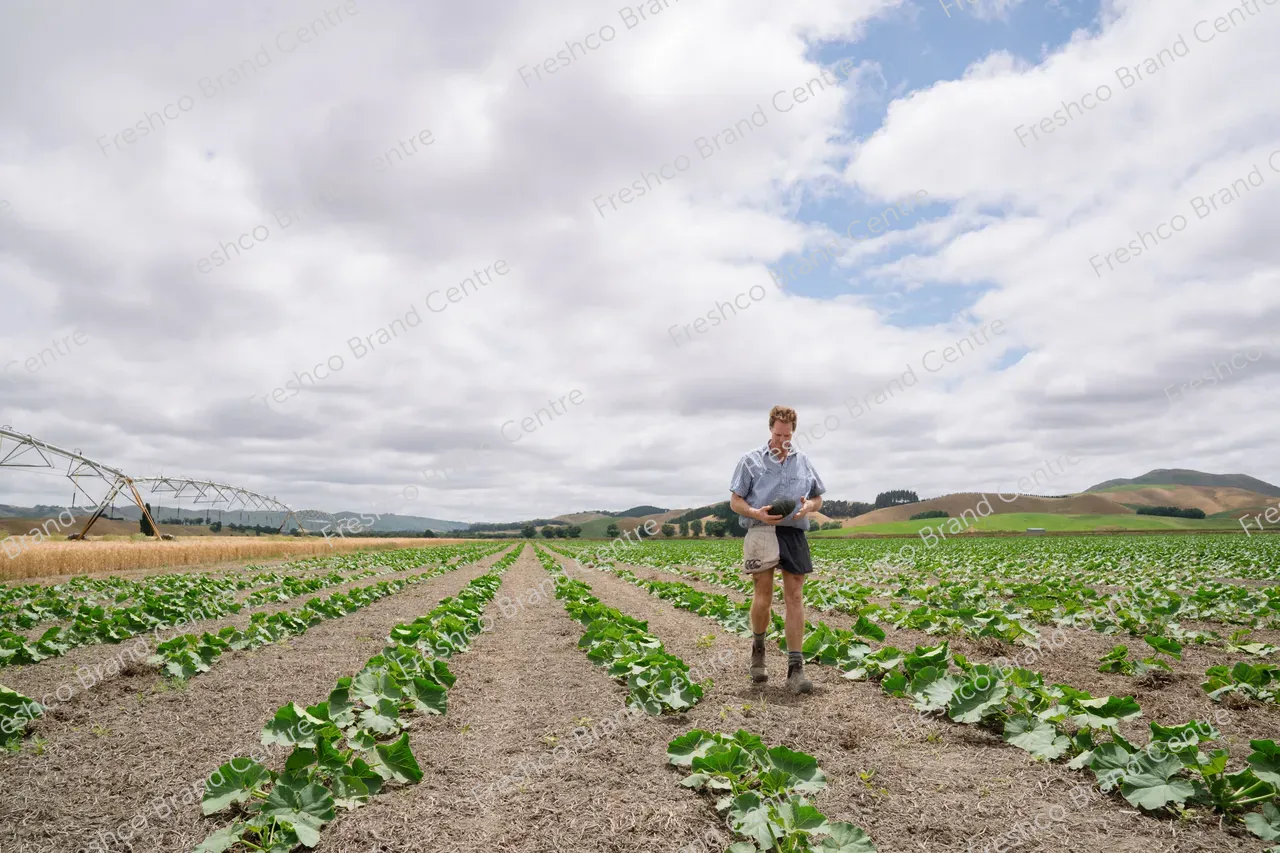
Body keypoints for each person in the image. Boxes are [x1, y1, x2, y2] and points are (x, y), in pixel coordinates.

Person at [728, 405, 825, 694]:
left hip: (793, 531)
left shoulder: (803, 461)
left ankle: (796, 669)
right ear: (771, 428)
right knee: (764, 595)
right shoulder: (750, 461)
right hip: (761, 529)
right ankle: (758, 650)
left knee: (795, 595)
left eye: (788, 435)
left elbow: (817, 498)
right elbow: (735, 501)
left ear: (793, 431)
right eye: (778, 433)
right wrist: (756, 513)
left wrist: (808, 506)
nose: (782, 440)